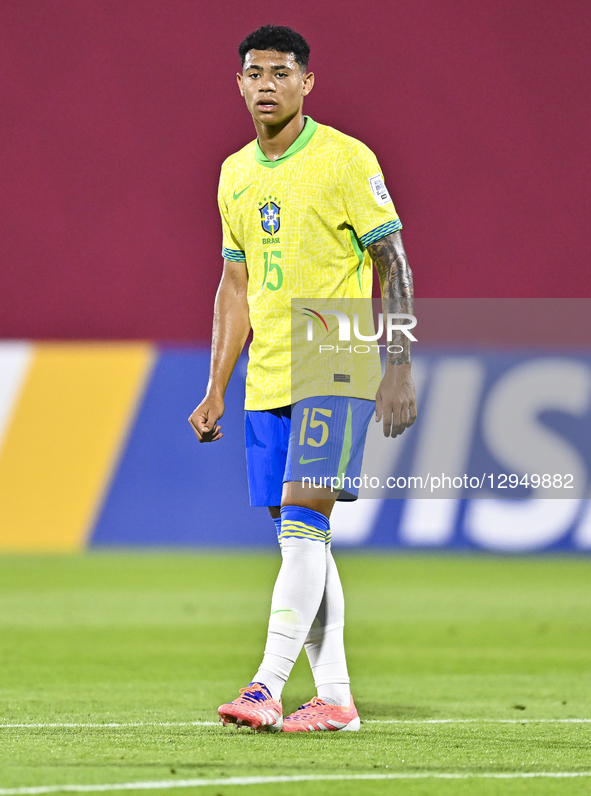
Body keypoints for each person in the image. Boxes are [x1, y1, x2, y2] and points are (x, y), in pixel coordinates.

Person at [189, 24, 416, 733]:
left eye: (280, 72)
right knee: (301, 538)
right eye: (253, 72)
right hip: (268, 370)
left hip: (334, 345)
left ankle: (266, 685)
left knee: (302, 529)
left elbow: (395, 263)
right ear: (238, 82)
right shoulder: (234, 172)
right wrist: (215, 384)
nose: (265, 84)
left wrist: (400, 363)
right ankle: (337, 699)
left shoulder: (347, 159)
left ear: (306, 82)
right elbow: (234, 285)